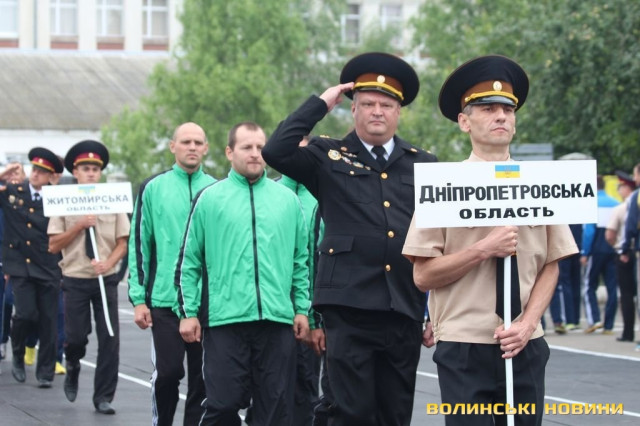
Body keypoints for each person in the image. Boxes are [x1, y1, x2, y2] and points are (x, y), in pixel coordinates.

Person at [262, 52, 437, 426]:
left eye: (386, 105)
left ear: (398, 112)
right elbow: (275, 150)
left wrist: (435, 310)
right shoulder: (328, 155)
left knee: (395, 413)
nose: (377, 112)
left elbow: (438, 241)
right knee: (349, 412)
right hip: (349, 307)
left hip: (403, 305)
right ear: (353, 109)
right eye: (368, 103)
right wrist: (321, 104)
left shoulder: (423, 164)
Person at [402, 55, 578, 426]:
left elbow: (552, 264)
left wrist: (528, 324)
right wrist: (484, 248)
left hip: (525, 342)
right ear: (464, 122)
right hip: (465, 345)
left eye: (507, 110)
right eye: (488, 109)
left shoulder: (539, 184)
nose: (501, 117)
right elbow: (423, 276)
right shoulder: (443, 187)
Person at [177, 121, 310, 426]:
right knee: (222, 404)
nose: (254, 153)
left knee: (273, 410)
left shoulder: (287, 201)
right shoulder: (210, 199)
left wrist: (302, 309)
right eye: (246, 147)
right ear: (229, 152)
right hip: (225, 320)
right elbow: (189, 260)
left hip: (276, 320)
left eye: (260, 147)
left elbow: (300, 261)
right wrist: (188, 313)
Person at [128, 122, 212, 426]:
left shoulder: (216, 189)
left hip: (205, 302)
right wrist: (139, 299)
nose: (192, 147)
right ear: (172, 146)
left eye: (198, 142)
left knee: (203, 379)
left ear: (206, 148)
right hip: (165, 299)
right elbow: (140, 245)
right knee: (168, 373)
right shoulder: (153, 188)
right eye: (186, 141)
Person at [47, 140, 129, 415]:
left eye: (95, 169)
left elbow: (123, 242)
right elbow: (53, 245)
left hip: (105, 278)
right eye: (85, 168)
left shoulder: (112, 199)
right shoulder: (63, 200)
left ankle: (103, 396)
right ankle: (72, 364)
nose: (91, 173)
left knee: (110, 338)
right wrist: (79, 225)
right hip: (75, 277)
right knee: (76, 337)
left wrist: (109, 263)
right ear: (76, 172)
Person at [0, 149, 64, 388]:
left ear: (50, 176)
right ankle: (17, 353)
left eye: (42, 172)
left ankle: (45, 371)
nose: (36, 174)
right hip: (21, 265)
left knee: (48, 320)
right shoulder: (14, 192)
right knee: (25, 314)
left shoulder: (56, 198)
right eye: (34, 169)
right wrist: (4, 173)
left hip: (48, 265)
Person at [581, 175, 619, 334]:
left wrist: (585, 252)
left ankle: (594, 320)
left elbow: (589, 232)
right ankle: (609, 325)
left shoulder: (592, 203)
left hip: (596, 250)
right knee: (612, 287)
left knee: (589, 285)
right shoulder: (616, 203)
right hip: (614, 249)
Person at [606, 171, 637, 342]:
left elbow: (610, 235)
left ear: (626, 188)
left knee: (626, 295)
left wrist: (620, 249)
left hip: (625, 253)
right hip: (635, 251)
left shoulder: (621, 208)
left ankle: (628, 332)